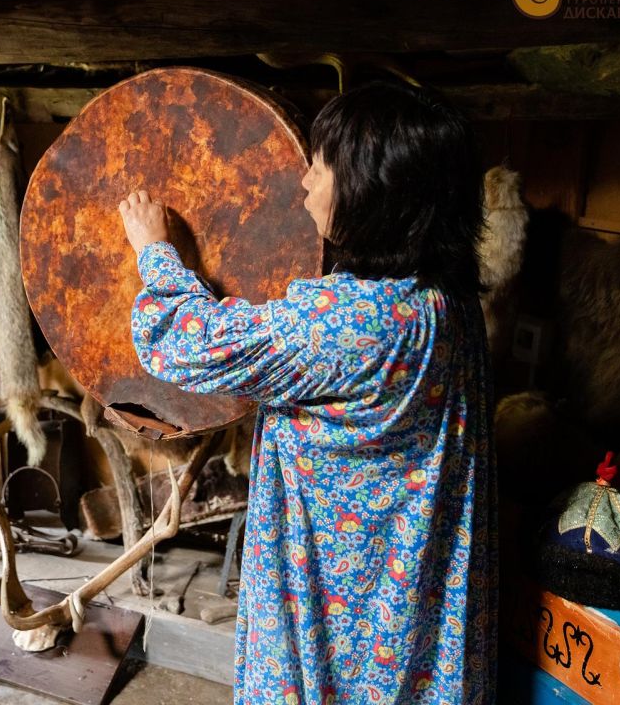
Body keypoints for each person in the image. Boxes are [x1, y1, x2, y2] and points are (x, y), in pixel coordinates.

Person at [119, 80, 496, 704]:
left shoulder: (349, 322)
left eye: (322, 165)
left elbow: (178, 342)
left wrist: (155, 251)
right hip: (414, 585)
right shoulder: (446, 299)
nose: (305, 181)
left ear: (372, 192)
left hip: (340, 596)